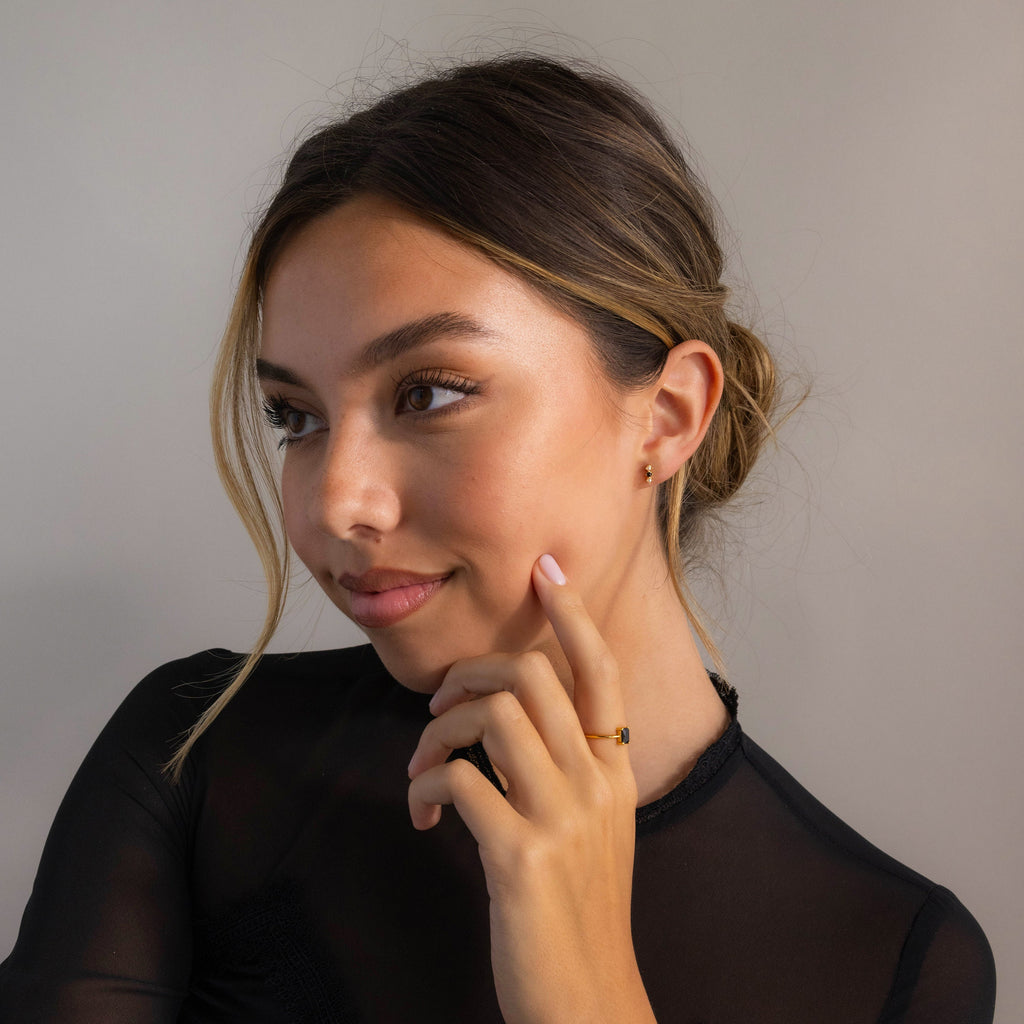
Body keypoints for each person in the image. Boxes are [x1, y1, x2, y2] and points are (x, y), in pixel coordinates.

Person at [0, 54, 996, 1023]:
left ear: (665, 417)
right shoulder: (198, 760)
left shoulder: (894, 958)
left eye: (427, 392)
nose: (334, 504)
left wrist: (586, 996)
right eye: (294, 416)